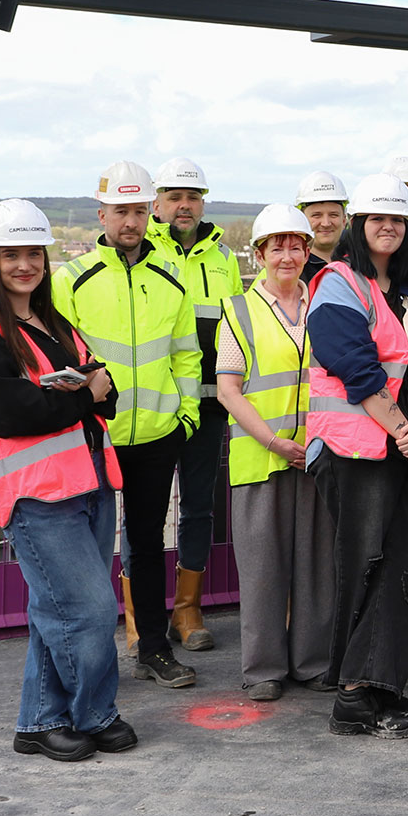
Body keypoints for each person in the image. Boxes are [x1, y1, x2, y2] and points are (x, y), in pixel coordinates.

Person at [305, 174, 408, 738]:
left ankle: (382, 686)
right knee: (364, 563)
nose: (386, 227)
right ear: (358, 226)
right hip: (356, 452)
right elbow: (356, 368)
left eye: (396, 219)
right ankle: (351, 695)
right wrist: (406, 435)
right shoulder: (338, 284)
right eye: (375, 219)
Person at [0, 199, 135, 762]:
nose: (25, 264)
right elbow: (13, 412)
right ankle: (92, 713)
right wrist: (82, 395)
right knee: (90, 610)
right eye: (10, 255)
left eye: (34, 253)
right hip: (37, 494)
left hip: (91, 482)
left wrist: (75, 393)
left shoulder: (54, 324)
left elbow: (109, 391)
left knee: (57, 610)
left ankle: (39, 722)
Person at [54, 160, 202, 690]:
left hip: (159, 435)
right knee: (87, 552)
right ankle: (88, 663)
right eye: (121, 211)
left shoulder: (171, 278)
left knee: (146, 544)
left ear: (150, 212)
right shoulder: (71, 279)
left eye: (139, 211)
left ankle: (155, 650)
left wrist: (185, 416)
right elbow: (56, 360)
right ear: (102, 214)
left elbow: (187, 356)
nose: (131, 221)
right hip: (95, 439)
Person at [216, 204, 334, 702]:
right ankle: (262, 668)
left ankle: (314, 662)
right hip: (261, 455)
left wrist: (312, 442)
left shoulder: (326, 305)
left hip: (319, 454)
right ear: (259, 253)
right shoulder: (238, 310)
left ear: (308, 251)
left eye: (296, 245)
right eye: (276, 246)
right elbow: (228, 389)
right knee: (263, 567)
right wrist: (274, 441)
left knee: (317, 564)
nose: (287, 255)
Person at [146, 156, 243, 655]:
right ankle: (143, 617)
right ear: (157, 203)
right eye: (174, 197)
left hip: (207, 406)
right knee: (144, 512)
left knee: (199, 508)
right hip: (154, 407)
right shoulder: (143, 251)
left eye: (193, 197)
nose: (184, 206)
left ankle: (187, 610)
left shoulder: (223, 257)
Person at [297, 170, 349, 284]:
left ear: (344, 219)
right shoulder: (292, 268)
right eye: (317, 215)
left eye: (333, 215)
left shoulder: (361, 263)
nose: (326, 223)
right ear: (302, 220)